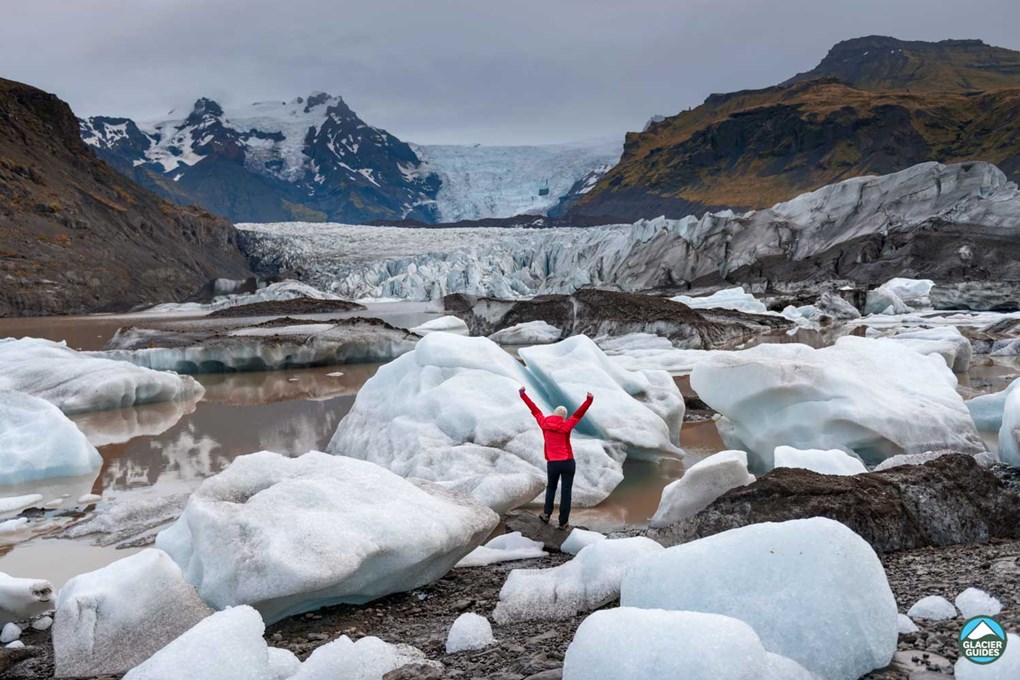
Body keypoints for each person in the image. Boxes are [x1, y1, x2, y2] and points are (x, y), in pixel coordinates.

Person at [518, 386, 594, 529]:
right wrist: (588, 401)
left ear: (553, 414)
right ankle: (563, 522)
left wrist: (523, 395)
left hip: (553, 463)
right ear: (563, 417)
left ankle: (546, 514)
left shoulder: (544, 423)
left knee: (551, 488)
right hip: (568, 463)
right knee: (566, 492)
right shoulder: (566, 425)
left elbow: (534, 409)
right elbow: (579, 414)